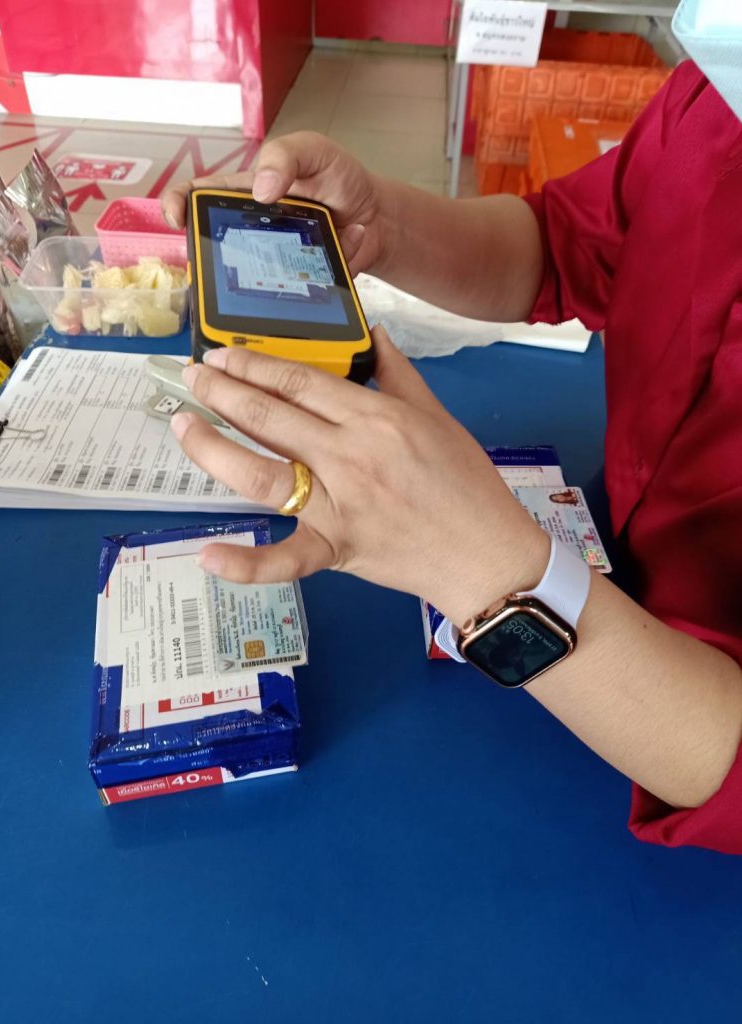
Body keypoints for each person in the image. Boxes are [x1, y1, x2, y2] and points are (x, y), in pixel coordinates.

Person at [162, 3, 742, 854]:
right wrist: (385, 225)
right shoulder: (718, 82)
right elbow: (571, 243)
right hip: (607, 592)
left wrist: (491, 570)